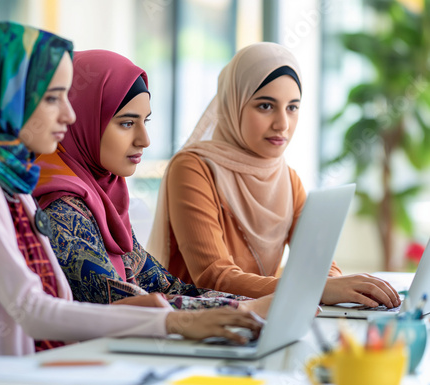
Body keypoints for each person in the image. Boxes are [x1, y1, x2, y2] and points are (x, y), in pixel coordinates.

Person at [0, 23, 262, 362]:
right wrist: (172, 321)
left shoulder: (13, 181)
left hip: (20, 368)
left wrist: (178, 313)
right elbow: (32, 308)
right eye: (51, 98)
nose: (69, 114)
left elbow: (62, 299)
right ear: (6, 98)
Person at [147, 42, 401, 310]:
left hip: (258, 319)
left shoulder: (287, 179)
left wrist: (347, 290)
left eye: (292, 107)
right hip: (197, 327)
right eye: (266, 106)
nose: (282, 124)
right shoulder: (192, 168)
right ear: (234, 104)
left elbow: (320, 264)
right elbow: (213, 276)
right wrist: (316, 289)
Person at [33, 50, 274, 318]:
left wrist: (267, 301)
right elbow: (123, 302)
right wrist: (245, 308)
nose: (144, 140)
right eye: (126, 123)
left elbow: (166, 286)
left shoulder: (103, 199)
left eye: (145, 121)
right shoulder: (58, 208)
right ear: (82, 122)